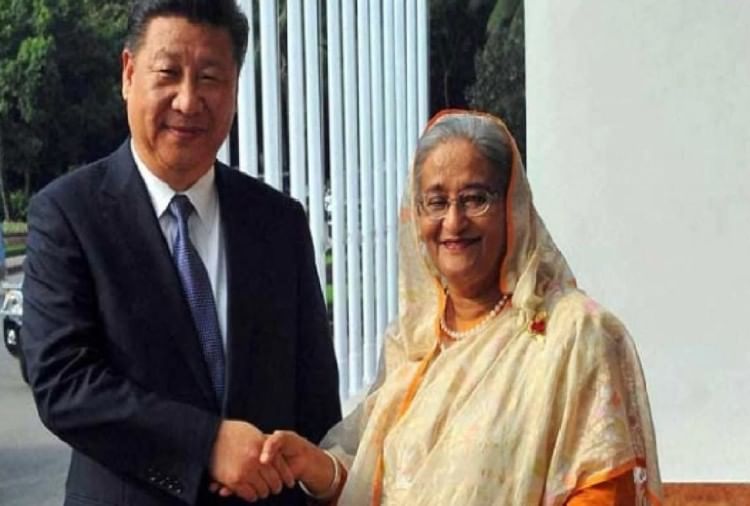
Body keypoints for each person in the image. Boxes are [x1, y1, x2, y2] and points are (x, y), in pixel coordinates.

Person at [20, 1, 340, 505]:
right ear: (129, 73)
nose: (189, 101)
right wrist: (206, 443)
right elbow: (64, 382)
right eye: (168, 73)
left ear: (234, 87)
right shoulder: (68, 216)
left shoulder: (279, 223)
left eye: (210, 78)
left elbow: (316, 402)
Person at [257, 110, 663, 505]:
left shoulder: (572, 334)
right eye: (436, 202)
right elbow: (379, 484)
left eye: (475, 199)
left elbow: (602, 488)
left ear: (512, 208)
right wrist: (318, 469)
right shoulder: (413, 346)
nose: (453, 222)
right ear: (416, 215)